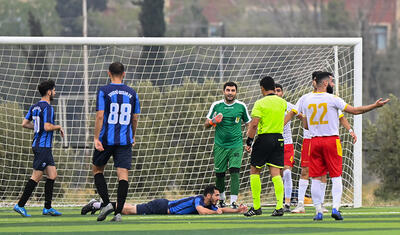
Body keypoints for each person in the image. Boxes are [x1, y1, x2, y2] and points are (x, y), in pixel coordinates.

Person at [299, 72, 389, 220]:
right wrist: (374, 106)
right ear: (326, 84)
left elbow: (306, 125)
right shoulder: (333, 99)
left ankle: (318, 212)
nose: (333, 84)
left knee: (315, 177)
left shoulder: (306, 100)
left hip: (314, 142)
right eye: (331, 82)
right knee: (336, 175)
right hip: (331, 141)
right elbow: (354, 111)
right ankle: (335, 208)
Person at [285, 72, 356, 214]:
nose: (332, 84)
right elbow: (295, 115)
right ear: (317, 82)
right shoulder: (305, 98)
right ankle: (300, 204)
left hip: (321, 140)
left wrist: (350, 130)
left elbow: (341, 117)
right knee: (306, 171)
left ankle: (320, 205)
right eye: (330, 81)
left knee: (322, 175)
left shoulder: (331, 99)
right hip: (309, 140)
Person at [92, 62, 140, 222]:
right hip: (125, 140)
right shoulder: (133, 93)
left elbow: (100, 115)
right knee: (123, 176)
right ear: (124, 74)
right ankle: (118, 213)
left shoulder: (104, 91)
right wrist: (132, 135)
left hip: (106, 139)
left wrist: (96, 138)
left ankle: (106, 203)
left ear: (108, 73)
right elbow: (134, 118)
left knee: (97, 170)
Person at [14, 80, 64, 217]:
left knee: (52, 175)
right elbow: (47, 127)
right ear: (49, 92)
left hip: (42, 147)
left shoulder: (34, 107)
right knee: (36, 176)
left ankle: (47, 208)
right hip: (42, 147)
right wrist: (58, 127)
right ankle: (20, 205)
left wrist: (38, 128)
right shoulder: (48, 108)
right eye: (54, 90)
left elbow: (24, 124)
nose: (55, 92)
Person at [244, 76, 287, 217]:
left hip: (264, 138)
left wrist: (249, 142)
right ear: (274, 88)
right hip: (279, 138)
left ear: (262, 88)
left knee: (255, 171)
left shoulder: (260, 103)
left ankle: (256, 207)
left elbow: (254, 124)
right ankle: (280, 206)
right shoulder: (282, 103)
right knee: (276, 173)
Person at [205, 82, 251, 209]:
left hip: (236, 145)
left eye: (232, 90)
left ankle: (234, 202)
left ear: (236, 92)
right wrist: (213, 121)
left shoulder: (241, 106)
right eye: (228, 90)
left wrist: (250, 141)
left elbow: (249, 123)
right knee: (220, 174)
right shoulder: (216, 105)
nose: (230, 93)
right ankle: (222, 199)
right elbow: (206, 124)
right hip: (220, 145)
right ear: (223, 91)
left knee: (235, 171)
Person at [81, 185, 248, 215]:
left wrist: (237, 210)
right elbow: (201, 211)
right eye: (217, 195)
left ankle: (96, 204)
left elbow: (222, 209)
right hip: (162, 206)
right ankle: (96, 204)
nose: (218, 198)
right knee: (128, 210)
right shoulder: (199, 200)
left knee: (128, 207)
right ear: (208, 195)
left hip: (162, 206)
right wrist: (216, 213)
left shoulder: (209, 204)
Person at [274, 83, 297, 213]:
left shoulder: (289, 106)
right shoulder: (268, 106)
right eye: (275, 91)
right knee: (277, 175)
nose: (277, 93)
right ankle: (279, 202)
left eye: (279, 91)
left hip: (287, 143)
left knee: (287, 173)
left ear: (282, 92)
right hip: (273, 143)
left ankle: (287, 203)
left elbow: (301, 114)